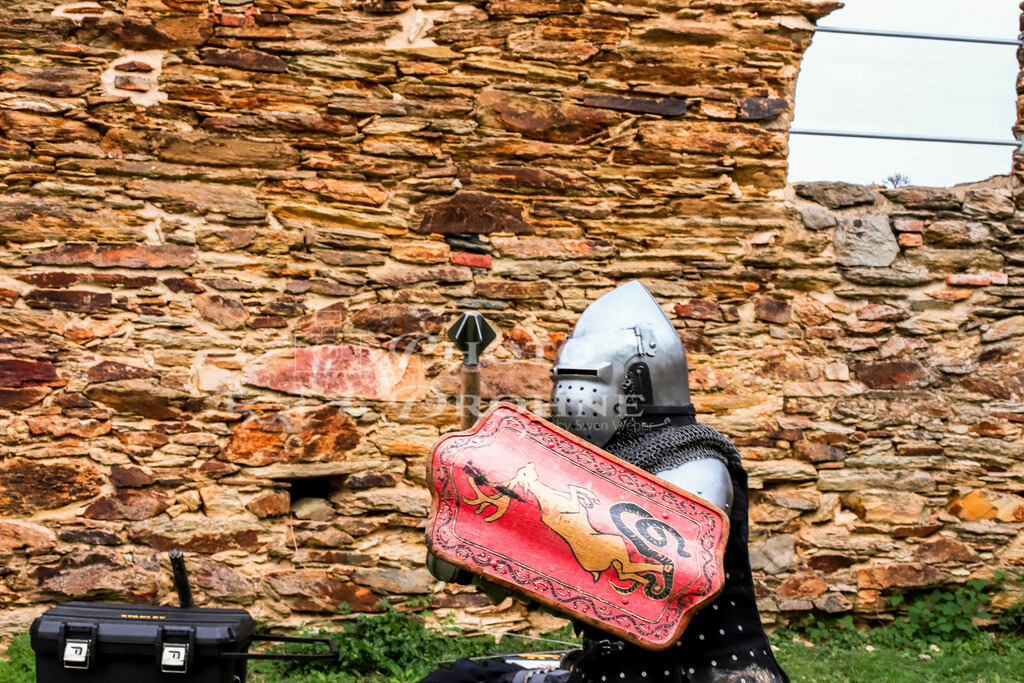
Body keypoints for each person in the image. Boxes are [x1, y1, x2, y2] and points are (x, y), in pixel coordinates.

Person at [424, 281, 788, 683]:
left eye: (584, 378)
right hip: (611, 672)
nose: (568, 395)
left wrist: (515, 553)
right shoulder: (603, 464)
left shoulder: (695, 465)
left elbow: (662, 584)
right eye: (563, 377)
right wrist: (473, 541)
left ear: (635, 383)